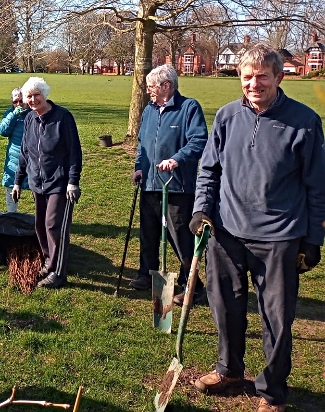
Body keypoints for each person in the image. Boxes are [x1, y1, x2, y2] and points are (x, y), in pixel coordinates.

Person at [191, 44, 325, 412]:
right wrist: (202, 208)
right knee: (225, 308)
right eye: (247, 76)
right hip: (227, 232)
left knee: (277, 320)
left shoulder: (305, 122)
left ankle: (272, 392)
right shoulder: (226, 116)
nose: (254, 84)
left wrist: (313, 240)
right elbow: (209, 169)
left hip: (280, 238)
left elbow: (317, 186)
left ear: (280, 78)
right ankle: (229, 370)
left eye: (262, 76)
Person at [128, 64, 209, 306]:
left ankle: (192, 285)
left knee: (180, 237)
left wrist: (177, 159)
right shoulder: (149, 110)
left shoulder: (188, 108)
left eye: (152, 86)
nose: (148, 91)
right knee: (149, 233)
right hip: (150, 183)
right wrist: (139, 167)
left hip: (177, 186)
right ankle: (146, 273)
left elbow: (199, 140)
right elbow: (143, 143)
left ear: (166, 86)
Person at [11, 77, 82, 289]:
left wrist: (73, 181)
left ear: (45, 94)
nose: (33, 100)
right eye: (29, 97)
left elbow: (74, 152)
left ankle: (59, 273)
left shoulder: (62, 118)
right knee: (40, 225)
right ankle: (49, 263)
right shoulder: (30, 119)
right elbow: (25, 153)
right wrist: (17, 181)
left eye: (36, 95)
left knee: (54, 226)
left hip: (59, 182)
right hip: (36, 182)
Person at [0, 88, 31, 212]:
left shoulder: (33, 113)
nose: (18, 104)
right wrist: (13, 115)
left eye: (21, 101)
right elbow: (2, 131)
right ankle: (11, 214)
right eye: (15, 101)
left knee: (37, 188)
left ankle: (42, 219)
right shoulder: (10, 113)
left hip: (32, 157)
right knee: (11, 185)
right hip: (14, 157)